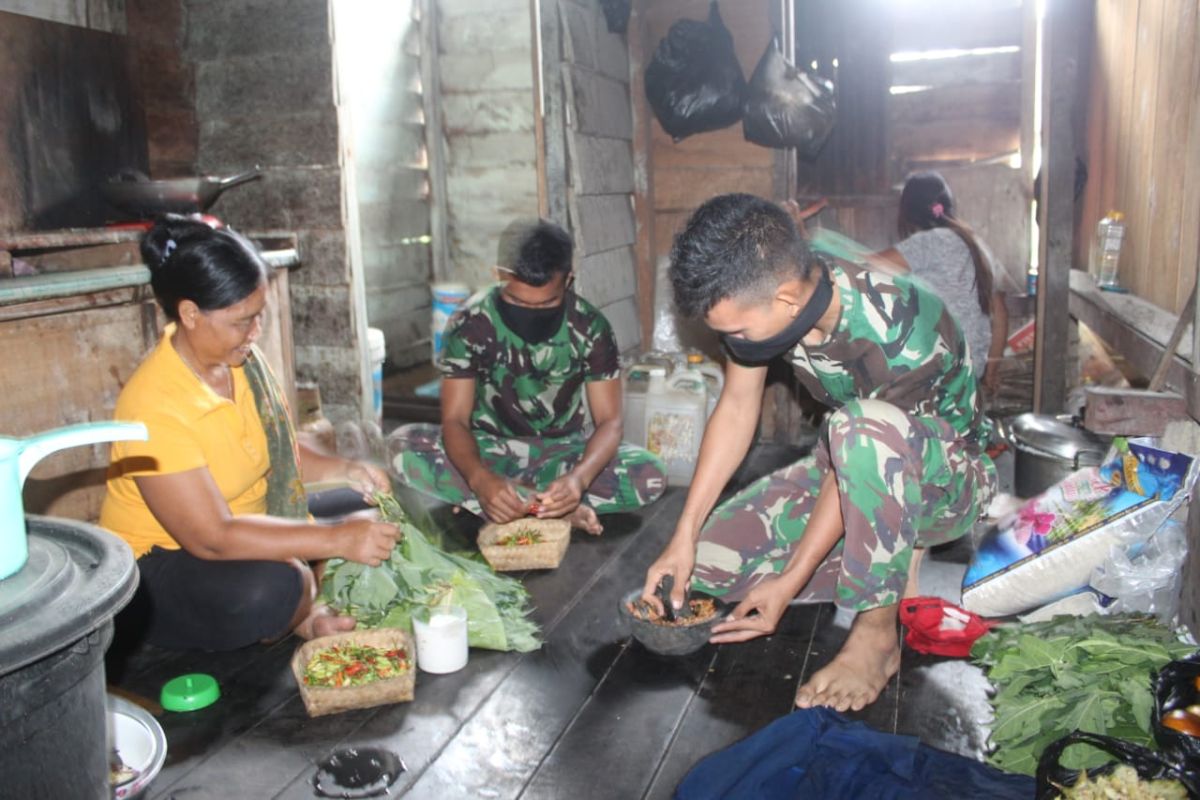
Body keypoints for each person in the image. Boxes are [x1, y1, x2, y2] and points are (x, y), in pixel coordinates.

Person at [640, 194, 996, 712]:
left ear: (786, 300)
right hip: (852, 461)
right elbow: (738, 406)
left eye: (736, 331)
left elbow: (867, 446)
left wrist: (790, 579)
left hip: (945, 480)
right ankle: (876, 562)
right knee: (708, 570)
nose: (733, 341)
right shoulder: (778, 290)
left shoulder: (902, 331)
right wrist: (684, 535)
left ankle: (876, 632)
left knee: (858, 427)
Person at [101, 216, 399, 651]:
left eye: (258, 317)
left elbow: (280, 450)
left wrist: (349, 469)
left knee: (369, 506)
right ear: (189, 314)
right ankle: (300, 608)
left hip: (245, 517)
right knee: (273, 586)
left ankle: (304, 610)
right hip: (165, 562)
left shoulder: (243, 364)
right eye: (242, 321)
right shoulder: (153, 406)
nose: (254, 333)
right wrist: (335, 539)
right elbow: (212, 537)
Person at [392, 218, 666, 535]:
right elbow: (454, 420)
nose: (532, 312)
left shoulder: (590, 327)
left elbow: (610, 422)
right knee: (401, 445)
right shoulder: (470, 321)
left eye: (549, 302)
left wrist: (579, 479)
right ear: (499, 275)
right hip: (487, 451)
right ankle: (545, 509)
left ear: (568, 281)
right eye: (517, 301)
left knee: (649, 472)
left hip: (561, 455)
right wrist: (480, 479)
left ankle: (518, 504)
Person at [873, 172, 1010, 391]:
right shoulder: (977, 244)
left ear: (907, 212)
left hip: (940, 374)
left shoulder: (931, 242)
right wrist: (990, 372)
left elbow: (864, 266)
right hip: (971, 372)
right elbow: (1001, 313)